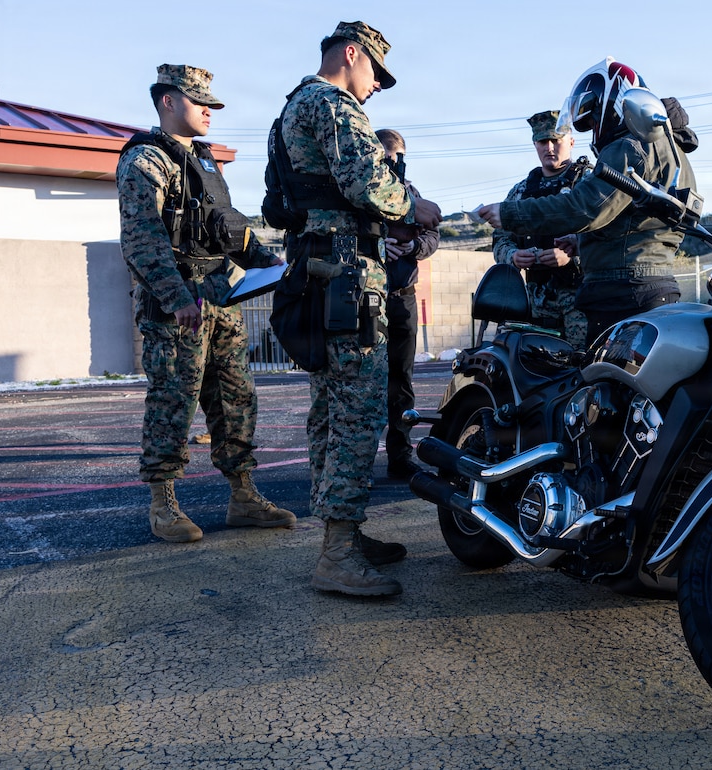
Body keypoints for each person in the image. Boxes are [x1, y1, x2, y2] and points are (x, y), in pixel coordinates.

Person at [276, 20, 442, 598]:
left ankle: (342, 535)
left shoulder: (293, 106)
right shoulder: (334, 103)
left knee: (329, 410)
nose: (375, 86)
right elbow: (368, 183)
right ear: (352, 54)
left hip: (321, 268)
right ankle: (338, 551)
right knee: (355, 413)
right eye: (375, 71)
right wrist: (417, 207)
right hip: (349, 272)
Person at [116, 64, 296, 544]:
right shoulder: (145, 161)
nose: (209, 112)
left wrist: (270, 262)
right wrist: (176, 298)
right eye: (199, 103)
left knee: (236, 398)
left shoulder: (206, 161)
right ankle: (163, 503)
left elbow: (229, 228)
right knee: (173, 401)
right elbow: (141, 240)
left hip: (220, 298)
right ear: (168, 101)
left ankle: (242, 496)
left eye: (211, 104)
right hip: (178, 306)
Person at [477, 59, 697, 343]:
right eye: (542, 142)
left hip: (621, 289)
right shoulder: (664, 145)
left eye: (593, 119)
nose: (549, 147)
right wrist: (580, 242)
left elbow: (585, 208)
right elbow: (633, 220)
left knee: (601, 381)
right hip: (626, 286)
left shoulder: (630, 147)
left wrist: (510, 215)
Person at [491, 111, 590, 349]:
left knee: (582, 370)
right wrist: (512, 256)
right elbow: (500, 240)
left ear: (571, 142)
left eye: (556, 140)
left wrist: (573, 255)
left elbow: (608, 234)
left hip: (582, 301)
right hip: (536, 305)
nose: (549, 148)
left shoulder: (589, 184)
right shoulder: (521, 191)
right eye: (542, 142)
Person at [374, 128, 441, 481]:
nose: (392, 161)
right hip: (368, 302)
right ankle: (356, 464)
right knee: (367, 382)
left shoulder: (411, 195)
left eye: (398, 155)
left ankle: (400, 455)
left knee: (402, 382)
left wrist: (413, 248)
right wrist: (379, 246)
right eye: (385, 155)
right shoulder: (363, 192)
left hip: (403, 298)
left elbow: (432, 235)